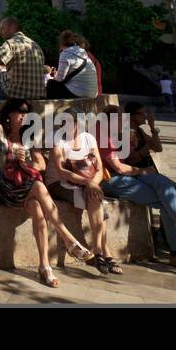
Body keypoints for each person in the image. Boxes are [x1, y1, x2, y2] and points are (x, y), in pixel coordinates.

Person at [0, 98, 97, 287]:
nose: (24, 115)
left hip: (26, 187)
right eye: (20, 111)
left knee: (38, 211)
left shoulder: (29, 137)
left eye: (27, 112)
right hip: (6, 188)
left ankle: (44, 267)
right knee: (40, 187)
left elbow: (40, 165)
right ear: (9, 114)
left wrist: (25, 161)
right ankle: (68, 240)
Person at [98, 105, 176, 271]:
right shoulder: (104, 134)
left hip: (129, 176)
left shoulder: (117, 133)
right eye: (121, 117)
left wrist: (137, 145)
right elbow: (118, 168)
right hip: (111, 180)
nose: (124, 120)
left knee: (162, 184)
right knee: (167, 200)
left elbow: (153, 149)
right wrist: (141, 170)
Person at [47, 110, 121, 274]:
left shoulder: (88, 138)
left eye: (71, 123)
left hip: (85, 183)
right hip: (59, 183)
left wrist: (93, 184)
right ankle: (103, 252)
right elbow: (61, 171)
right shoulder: (56, 138)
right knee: (95, 198)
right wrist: (89, 183)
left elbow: (100, 168)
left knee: (95, 197)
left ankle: (99, 252)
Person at [48, 31, 98, 100]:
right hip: (92, 94)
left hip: (77, 93)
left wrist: (52, 77)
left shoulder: (65, 53)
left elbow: (59, 79)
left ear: (62, 43)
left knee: (51, 84)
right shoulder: (83, 54)